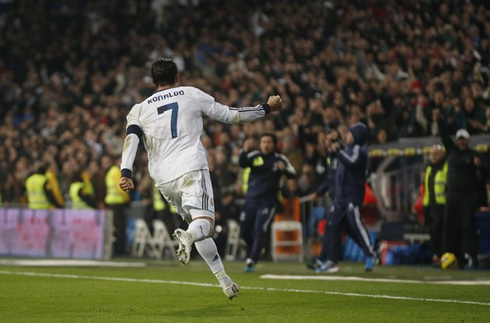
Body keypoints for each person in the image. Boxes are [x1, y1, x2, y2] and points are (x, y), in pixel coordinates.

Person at [118, 58, 283, 299]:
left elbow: (131, 139)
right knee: (204, 224)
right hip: (191, 167)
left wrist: (126, 172)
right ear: (177, 78)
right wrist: (266, 108)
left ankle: (225, 281)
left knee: (197, 224)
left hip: (163, 178)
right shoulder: (190, 93)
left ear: (153, 81)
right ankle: (187, 236)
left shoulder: (139, 108)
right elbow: (231, 115)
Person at [315, 123, 378, 273]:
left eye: (350, 134)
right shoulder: (349, 149)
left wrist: (338, 150)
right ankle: (331, 260)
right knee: (333, 226)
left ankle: (370, 255)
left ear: (357, 136)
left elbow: (352, 162)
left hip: (352, 194)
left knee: (356, 224)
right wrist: (338, 146)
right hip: (340, 196)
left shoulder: (359, 150)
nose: (347, 136)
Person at [238, 133, 297, 272]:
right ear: (260, 144)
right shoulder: (254, 156)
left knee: (260, 228)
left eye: (269, 142)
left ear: (274, 144)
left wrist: (285, 170)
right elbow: (242, 163)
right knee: (243, 232)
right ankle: (257, 248)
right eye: (263, 142)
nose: (266, 144)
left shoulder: (279, 159)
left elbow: (293, 173)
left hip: (268, 201)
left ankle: (252, 259)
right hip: (251, 200)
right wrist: (244, 150)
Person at [437, 110, 488, 268]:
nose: (461, 141)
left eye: (463, 139)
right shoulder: (451, 151)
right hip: (452, 195)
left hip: (467, 196)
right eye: (459, 139)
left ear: (468, 140)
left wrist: (480, 166)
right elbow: (444, 135)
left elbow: (486, 171)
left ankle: (471, 257)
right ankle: (448, 256)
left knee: (468, 227)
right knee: (449, 227)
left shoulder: (474, 154)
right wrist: (440, 120)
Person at [422, 145, 447, 267]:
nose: (433, 156)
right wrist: (425, 205)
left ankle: (444, 257)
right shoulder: (429, 169)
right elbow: (427, 189)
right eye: (432, 154)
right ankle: (437, 256)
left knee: (442, 232)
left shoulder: (446, 167)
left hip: (443, 205)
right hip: (432, 206)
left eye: (436, 154)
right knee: (433, 232)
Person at [105, 157, 131, 256]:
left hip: (111, 203)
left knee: (114, 228)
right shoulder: (116, 172)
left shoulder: (110, 172)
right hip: (118, 204)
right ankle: (121, 251)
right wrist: (127, 199)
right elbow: (121, 188)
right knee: (120, 229)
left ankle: (114, 250)